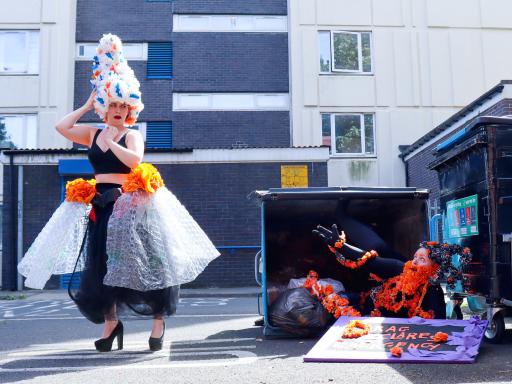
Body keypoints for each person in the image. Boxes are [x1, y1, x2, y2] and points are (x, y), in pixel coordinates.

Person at [17, 34, 220, 352]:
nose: (117, 110)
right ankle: (111, 325)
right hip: (101, 206)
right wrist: (86, 105)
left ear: (130, 109)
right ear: (105, 105)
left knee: (147, 265)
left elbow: (134, 160)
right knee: (100, 268)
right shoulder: (93, 132)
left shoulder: (132, 135)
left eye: (123, 106)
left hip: (131, 206)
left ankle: (158, 321)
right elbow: (62, 127)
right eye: (112, 104)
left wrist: (113, 141)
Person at [312, 224, 471, 319]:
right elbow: (368, 260)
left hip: (376, 323)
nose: (414, 261)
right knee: (333, 299)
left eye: (422, 260)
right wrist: (341, 245)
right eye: (415, 257)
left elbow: (438, 325)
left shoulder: (433, 293)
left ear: (433, 269)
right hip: (362, 302)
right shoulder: (400, 268)